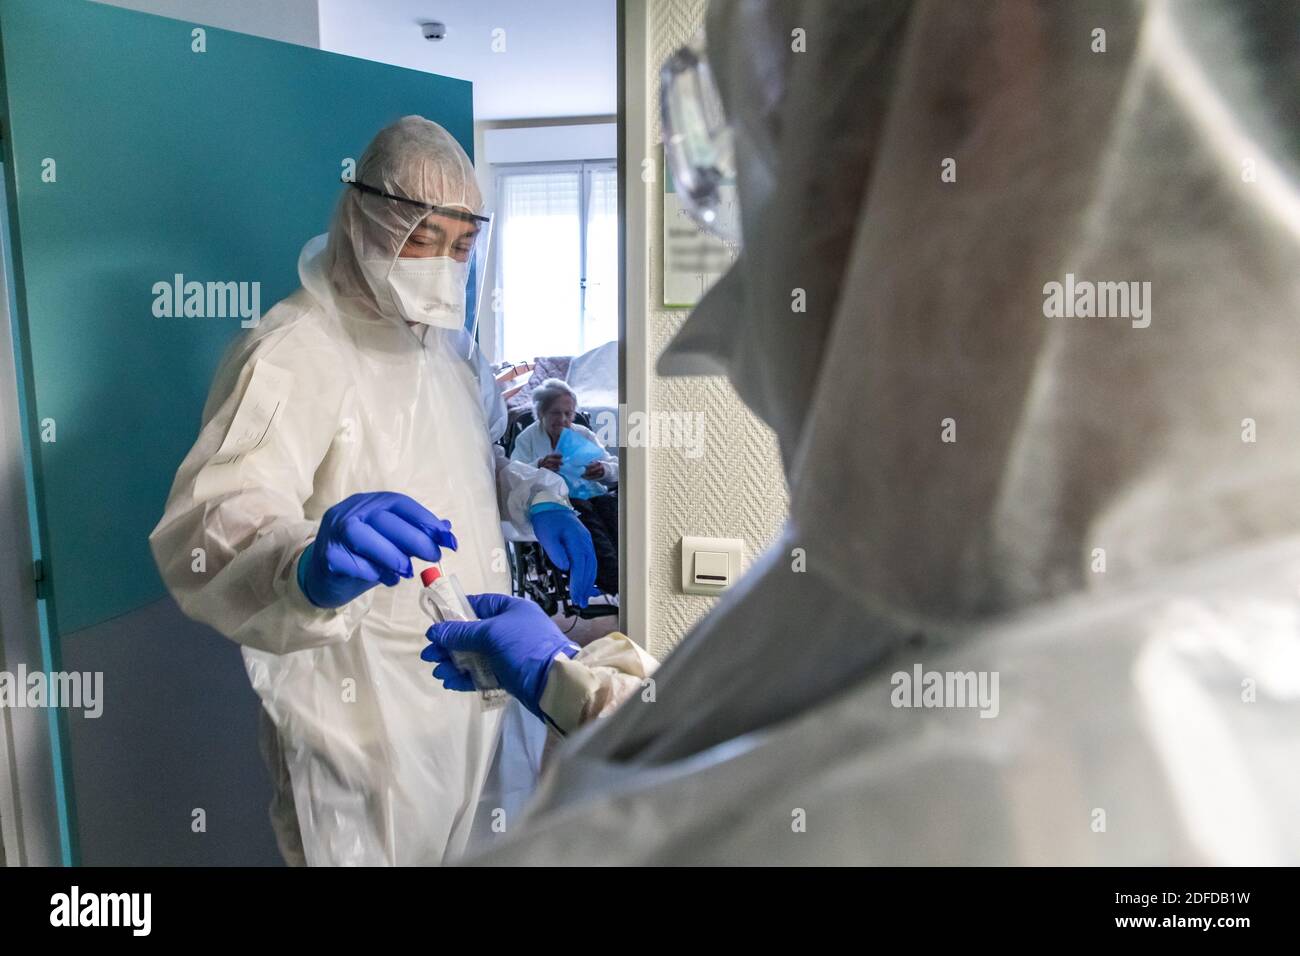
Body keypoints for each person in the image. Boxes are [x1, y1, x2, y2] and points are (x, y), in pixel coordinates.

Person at [425, 0, 1300, 865]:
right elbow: (760, 751)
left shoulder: (1055, 769)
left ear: (995, 68)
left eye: (781, 145)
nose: (717, 329)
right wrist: (574, 686)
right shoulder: (948, 571)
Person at [148, 116, 600, 866]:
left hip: (474, 696)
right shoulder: (294, 350)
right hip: (359, 727)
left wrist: (531, 495)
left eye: (462, 244)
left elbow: (473, 459)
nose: (444, 264)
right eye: (425, 237)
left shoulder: (451, 349)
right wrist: (305, 565)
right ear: (365, 216)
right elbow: (209, 523)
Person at [510, 378, 619, 597]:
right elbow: (513, 474)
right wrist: (538, 466)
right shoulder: (528, 438)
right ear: (541, 413)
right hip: (560, 501)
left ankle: (630, 572)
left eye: (568, 413)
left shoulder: (583, 434)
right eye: (555, 413)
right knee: (587, 522)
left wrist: (603, 470)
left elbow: (614, 466)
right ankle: (614, 578)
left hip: (594, 494)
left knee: (613, 512)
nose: (563, 420)